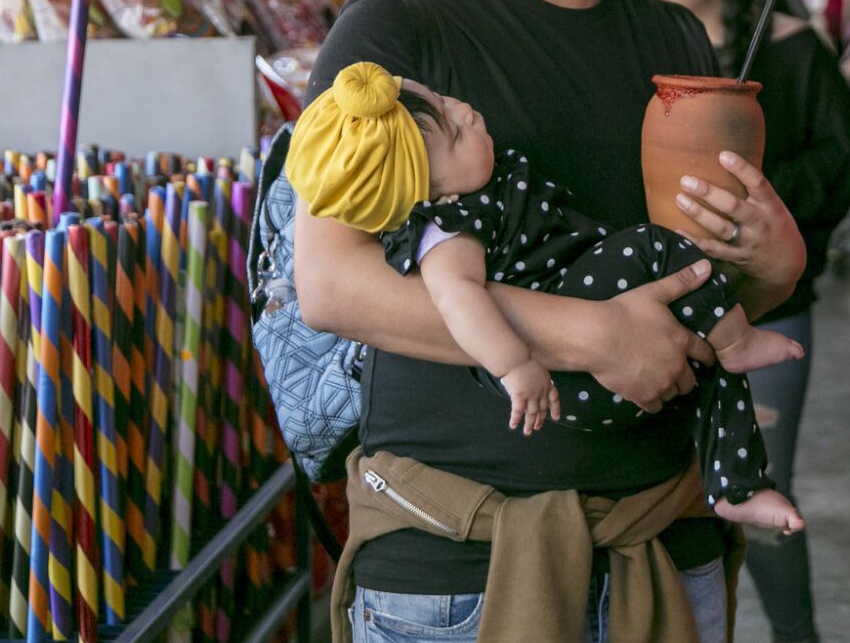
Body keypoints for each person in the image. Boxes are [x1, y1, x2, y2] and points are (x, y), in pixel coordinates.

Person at [292, 0, 806, 643]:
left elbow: (696, 291)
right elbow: (333, 286)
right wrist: (589, 333)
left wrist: (774, 268)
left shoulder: (674, 44)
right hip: (456, 570)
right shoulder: (395, 43)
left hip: (663, 539)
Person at [287, 63, 805, 526]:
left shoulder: (470, 190)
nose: (465, 111)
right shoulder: (447, 231)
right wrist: (515, 365)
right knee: (651, 249)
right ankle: (737, 346)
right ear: (429, 189)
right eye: (453, 129)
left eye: (446, 102)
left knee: (706, 355)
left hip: (603, 348)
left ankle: (738, 485)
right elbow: (458, 300)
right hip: (571, 376)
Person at [618, 0, 850, 643]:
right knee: (663, 485)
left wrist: (763, 208)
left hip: (773, 306)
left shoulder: (791, 47)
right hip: (663, 305)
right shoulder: (652, 51)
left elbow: (844, 160)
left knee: (758, 480)